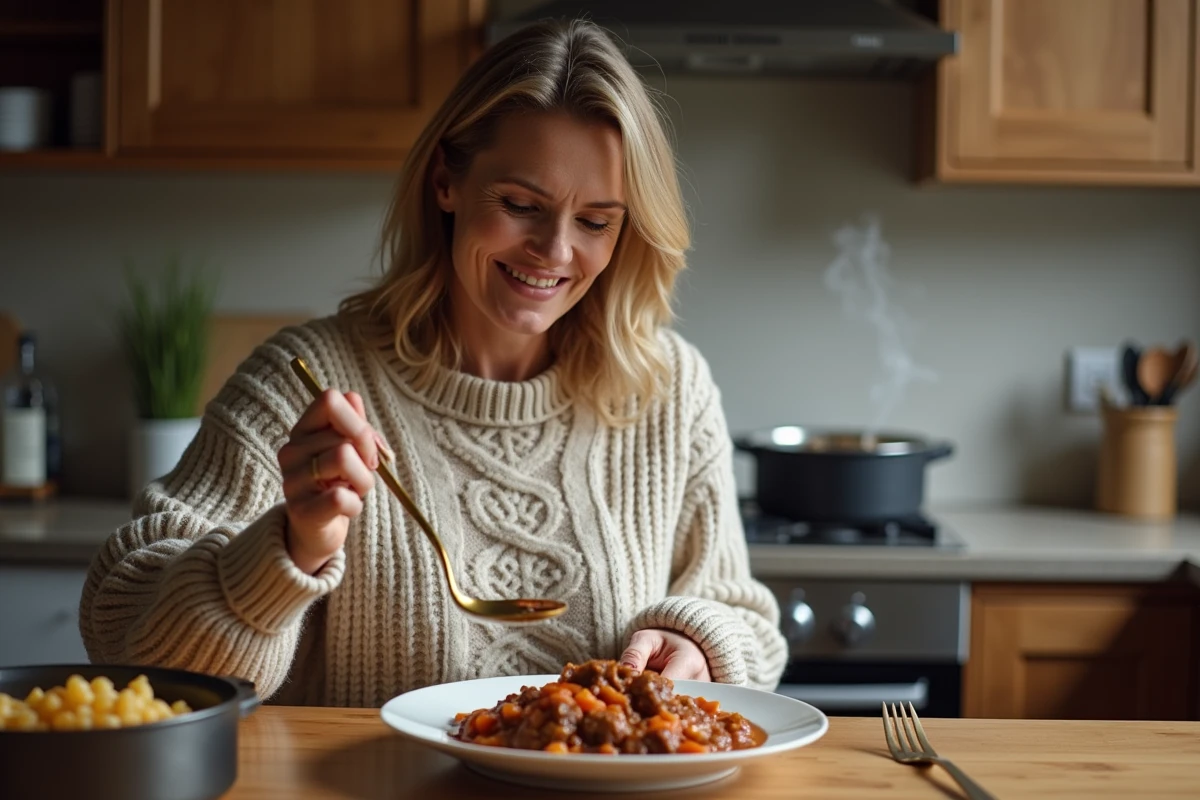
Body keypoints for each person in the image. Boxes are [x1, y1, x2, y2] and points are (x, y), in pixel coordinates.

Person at [80, 19, 787, 707]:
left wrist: (698, 645)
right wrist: (290, 552)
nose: (555, 251)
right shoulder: (306, 381)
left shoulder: (668, 389)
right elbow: (123, 633)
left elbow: (744, 622)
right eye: (520, 204)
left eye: (596, 221)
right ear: (446, 181)